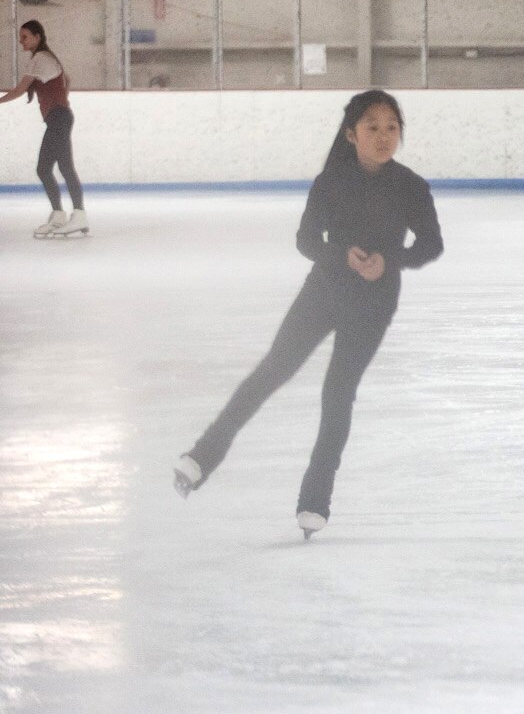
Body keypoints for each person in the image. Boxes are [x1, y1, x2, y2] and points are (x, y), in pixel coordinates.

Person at [174, 90, 443, 538]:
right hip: (324, 290)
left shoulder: (411, 186)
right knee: (271, 372)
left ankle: (315, 500)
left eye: (392, 127)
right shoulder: (331, 181)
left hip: (374, 302)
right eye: (372, 127)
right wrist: (341, 255)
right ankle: (202, 457)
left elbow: (431, 244)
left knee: (338, 393)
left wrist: (389, 260)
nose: (383, 136)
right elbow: (305, 240)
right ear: (350, 134)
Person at [1, 20, 88, 238]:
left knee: (61, 168)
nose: (21, 41)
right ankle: (60, 215)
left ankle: (78, 215)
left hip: (59, 118)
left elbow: (20, 90)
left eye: (25, 37)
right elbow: (66, 79)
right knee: (46, 169)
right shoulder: (45, 58)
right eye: (21, 37)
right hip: (59, 118)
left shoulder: (41, 58)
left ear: (37, 37)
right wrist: (61, 99)